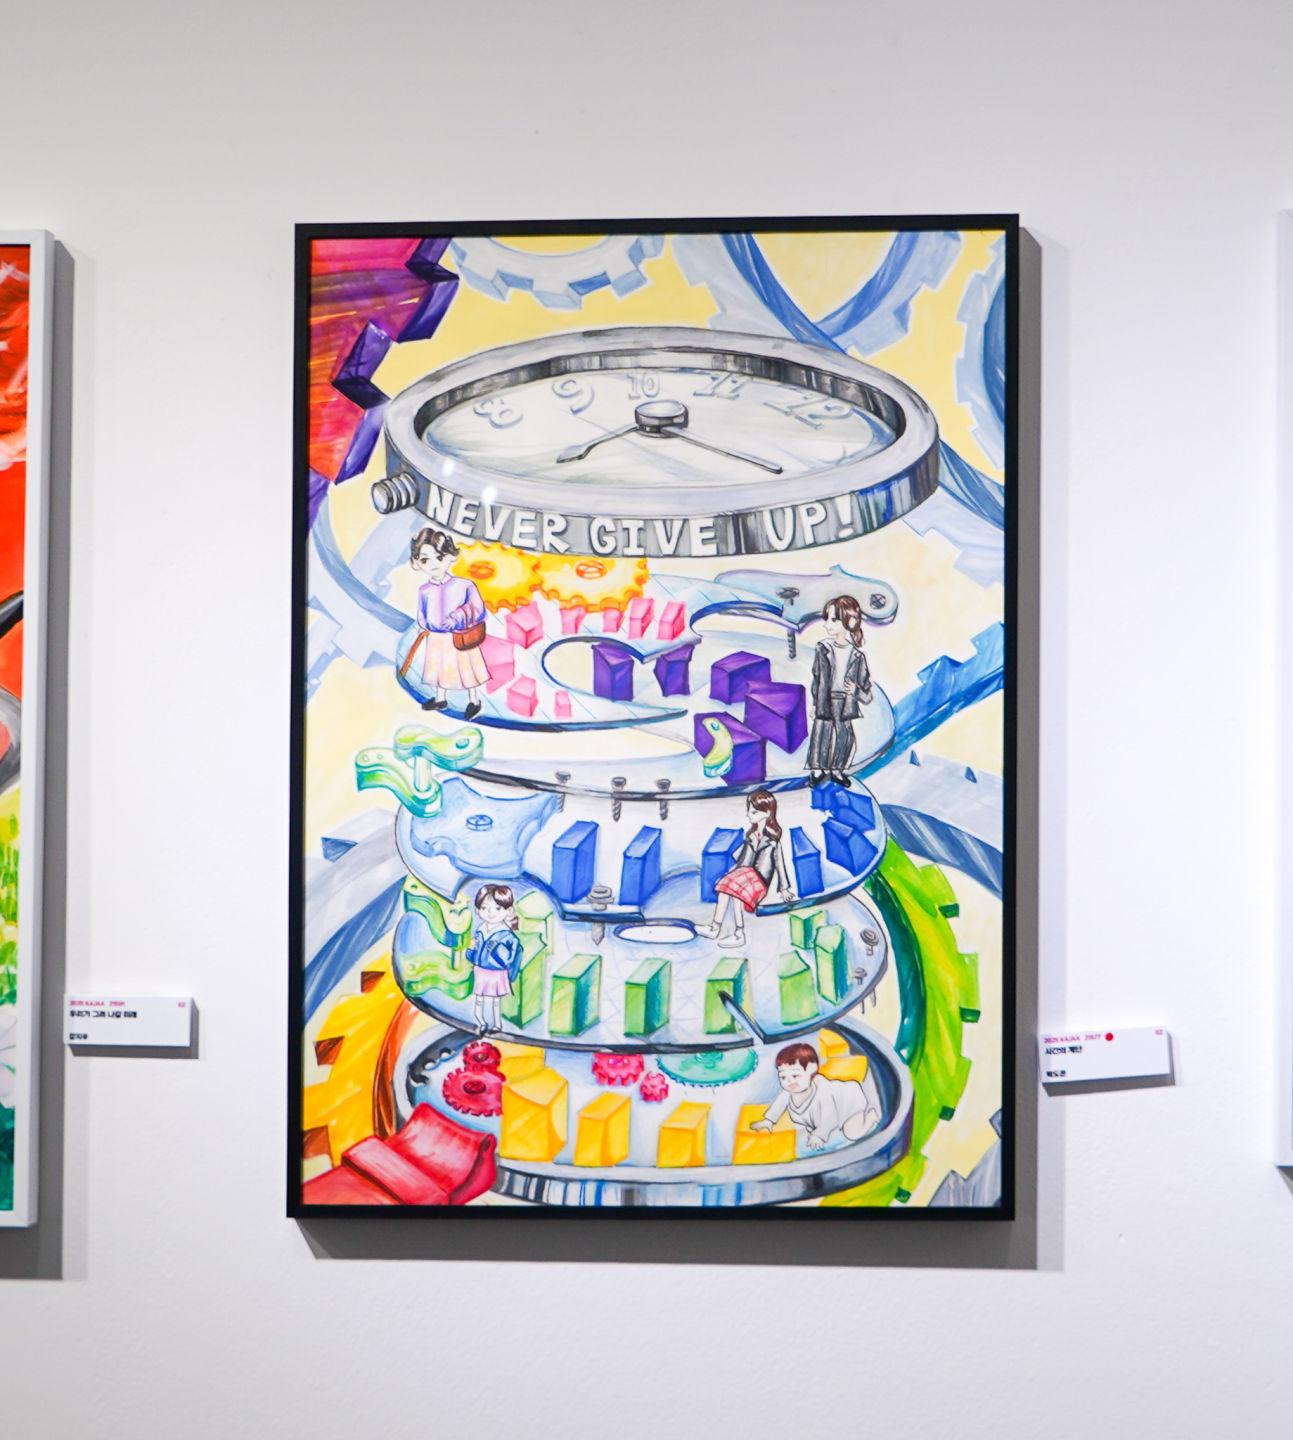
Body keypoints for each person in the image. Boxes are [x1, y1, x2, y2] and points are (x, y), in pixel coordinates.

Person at [402, 526, 489, 719]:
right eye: (425, 560)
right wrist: (424, 625)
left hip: (459, 636)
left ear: (451, 556)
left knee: (466, 669)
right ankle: (440, 698)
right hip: (436, 637)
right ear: (416, 563)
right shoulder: (424, 590)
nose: (433, 564)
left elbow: (478, 608)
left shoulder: (464, 585)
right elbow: (421, 612)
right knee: (438, 669)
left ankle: (474, 700)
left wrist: (457, 617)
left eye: (439, 557)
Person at [697, 790, 795, 948]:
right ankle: (715, 928)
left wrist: (784, 889)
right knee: (727, 887)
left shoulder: (772, 841)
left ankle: (738, 933)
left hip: (759, 882)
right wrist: (733, 873)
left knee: (735, 889)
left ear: (767, 813)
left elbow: (780, 864)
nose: (749, 815)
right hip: (745, 875)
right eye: (749, 811)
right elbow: (741, 858)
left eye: (754, 812)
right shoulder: (750, 837)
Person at [751, 1042, 880, 1151]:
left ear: (811, 1069)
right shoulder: (789, 1092)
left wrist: (819, 1135)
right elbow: (779, 1105)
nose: (789, 1081)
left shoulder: (823, 1095)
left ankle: (871, 1117)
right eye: (783, 1077)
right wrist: (769, 1121)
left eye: (795, 1076)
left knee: (852, 1133)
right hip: (824, 1114)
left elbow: (829, 1117)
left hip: (849, 1104)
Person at [807, 594, 872, 788]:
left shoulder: (857, 656)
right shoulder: (823, 648)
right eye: (827, 619)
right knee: (821, 733)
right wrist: (814, 704)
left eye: (833, 620)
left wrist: (856, 690)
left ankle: (837, 770)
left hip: (845, 701)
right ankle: (817, 770)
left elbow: (867, 693)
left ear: (849, 622)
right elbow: (817, 678)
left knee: (845, 736)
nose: (827, 624)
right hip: (825, 698)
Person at [465, 884, 522, 1035]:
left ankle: (497, 1025)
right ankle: (481, 1021)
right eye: (484, 908)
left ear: (508, 911)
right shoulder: (480, 931)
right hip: (481, 970)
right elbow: (473, 957)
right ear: (478, 910)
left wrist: (497, 949)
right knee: (479, 998)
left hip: (497, 972)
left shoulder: (507, 935)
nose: (490, 913)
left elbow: (510, 958)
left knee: (496, 1000)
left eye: (497, 908)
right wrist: (470, 950)